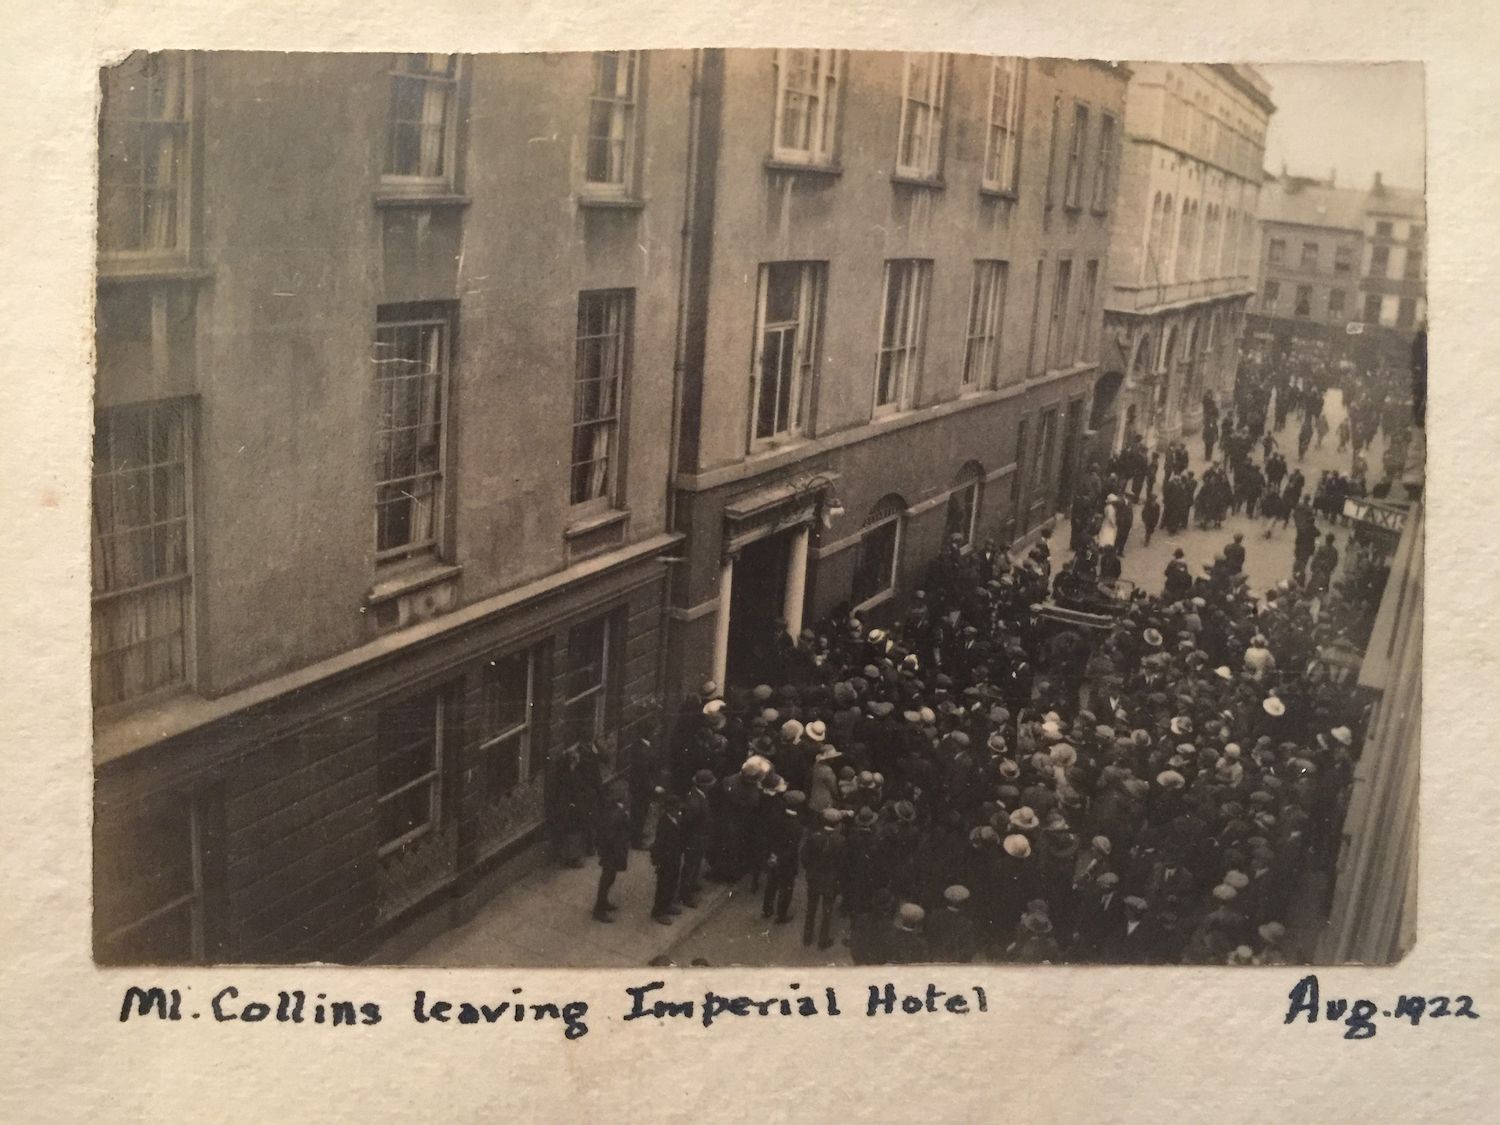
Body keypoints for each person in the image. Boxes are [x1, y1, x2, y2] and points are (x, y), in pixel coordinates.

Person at [800, 808, 845, 949]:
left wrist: (810, 870)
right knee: (827, 910)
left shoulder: (814, 836)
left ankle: (807, 937)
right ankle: (823, 940)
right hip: (830, 880)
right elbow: (843, 863)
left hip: (814, 877)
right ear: (837, 824)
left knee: (811, 908)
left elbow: (804, 856)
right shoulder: (841, 841)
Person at [761, 790, 806, 923]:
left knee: (771, 883)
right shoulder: (797, 826)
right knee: (786, 887)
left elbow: (770, 838)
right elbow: (792, 848)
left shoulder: (776, 817)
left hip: (773, 856)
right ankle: (781, 915)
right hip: (787, 861)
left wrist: (772, 856)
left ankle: (767, 909)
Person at [593, 784, 632, 922]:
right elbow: (610, 835)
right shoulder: (616, 813)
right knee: (607, 878)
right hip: (612, 852)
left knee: (610, 878)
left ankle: (603, 903)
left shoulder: (614, 810)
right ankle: (599, 909)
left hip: (613, 850)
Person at [651, 795, 688, 925]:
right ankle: (659, 911)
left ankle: (667, 905)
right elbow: (658, 844)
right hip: (666, 859)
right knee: (663, 885)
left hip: (674, 856)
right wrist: (657, 861)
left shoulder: (676, 818)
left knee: (672, 882)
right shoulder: (664, 822)